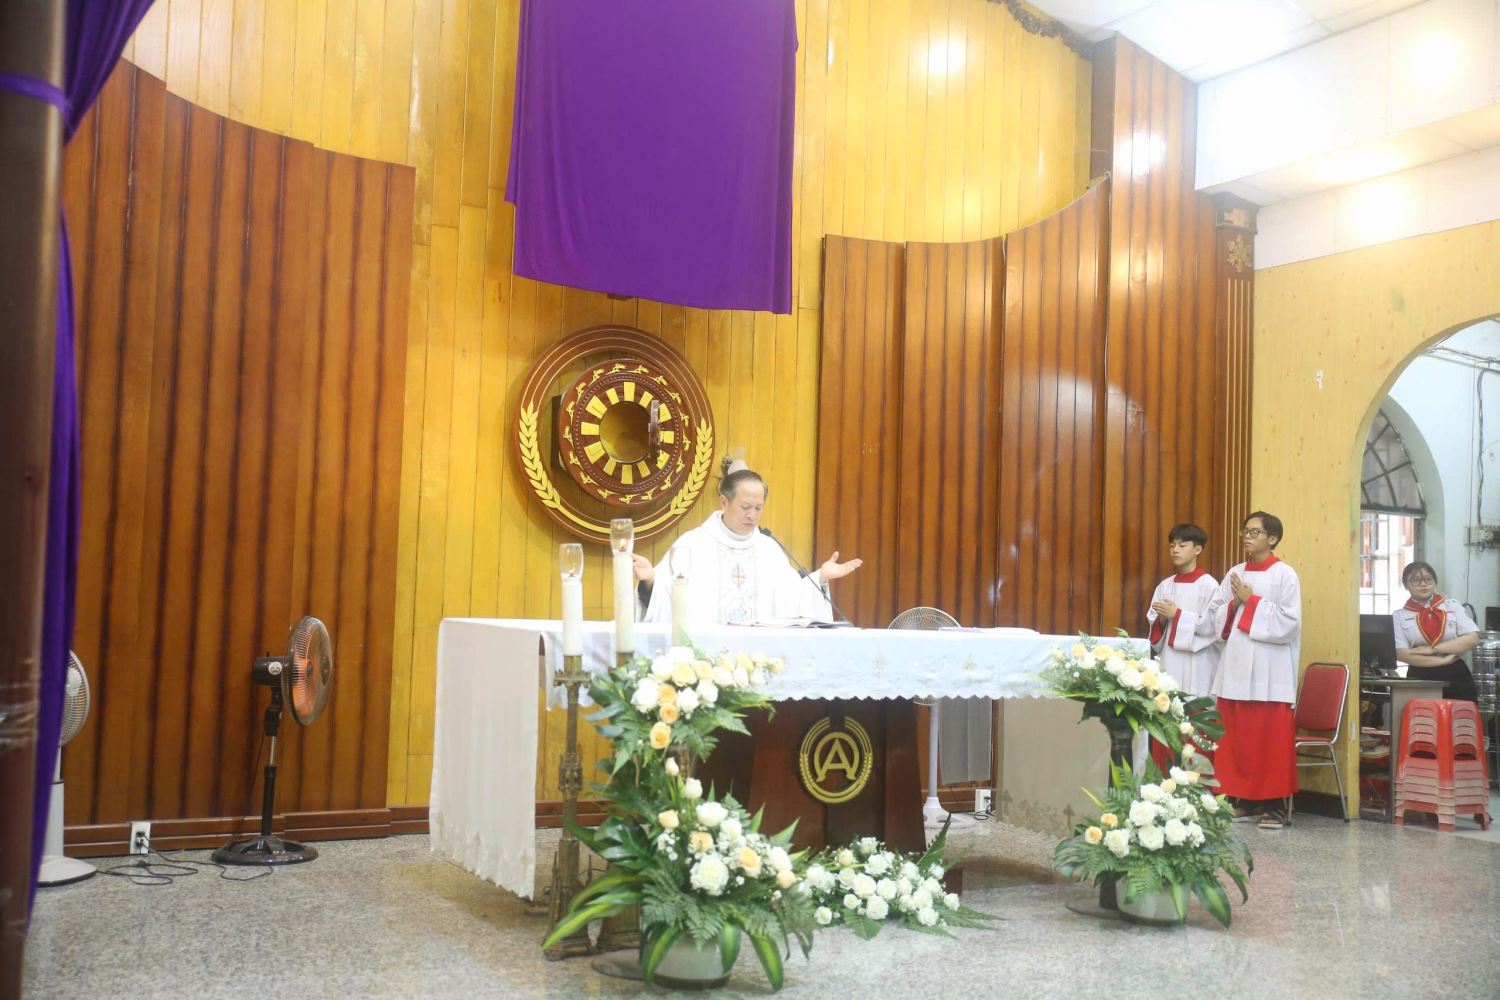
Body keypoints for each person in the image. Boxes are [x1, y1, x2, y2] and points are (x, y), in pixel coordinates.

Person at [635, 460, 862, 626]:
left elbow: (793, 600)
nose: (752, 515)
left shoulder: (769, 550)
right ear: (724, 502)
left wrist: (820, 577)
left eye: (758, 508)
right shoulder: (693, 545)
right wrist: (650, 580)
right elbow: (664, 599)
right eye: (745, 507)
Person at [1209, 511, 1300, 830]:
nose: (1247, 537)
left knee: (1268, 739)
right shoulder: (1234, 572)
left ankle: (1273, 806)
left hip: (1270, 670)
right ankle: (1242, 800)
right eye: (1245, 531)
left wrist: (1252, 601)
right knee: (1237, 738)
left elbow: (1289, 622)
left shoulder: (1285, 575)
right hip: (1235, 665)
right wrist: (1235, 604)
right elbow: (1215, 616)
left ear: (1272, 538)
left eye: (1254, 532)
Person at [1143, 523, 1220, 774]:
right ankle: (1163, 782)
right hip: (1171, 664)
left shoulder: (1210, 586)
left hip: (1198, 667)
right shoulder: (1165, 586)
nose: (1175, 550)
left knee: (1194, 732)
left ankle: (1197, 785)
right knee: (1167, 727)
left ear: (1197, 549)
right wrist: (1162, 619)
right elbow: (1155, 629)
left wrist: (1177, 615)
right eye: (1172, 545)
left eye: (1182, 545)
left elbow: (1212, 627)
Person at [1391, 561, 1479, 702]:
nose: (1423, 584)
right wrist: (1442, 660)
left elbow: (1472, 638)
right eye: (1416, 580)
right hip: (1420, 674)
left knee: (1461, 714)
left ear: (1435, 582)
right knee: (1424, 715)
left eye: (1428, 579)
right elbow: (1401, 654)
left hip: (1456, 673)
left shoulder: (1452, 606)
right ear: (1406, 585)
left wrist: (1433, 649)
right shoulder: (1399, 616)